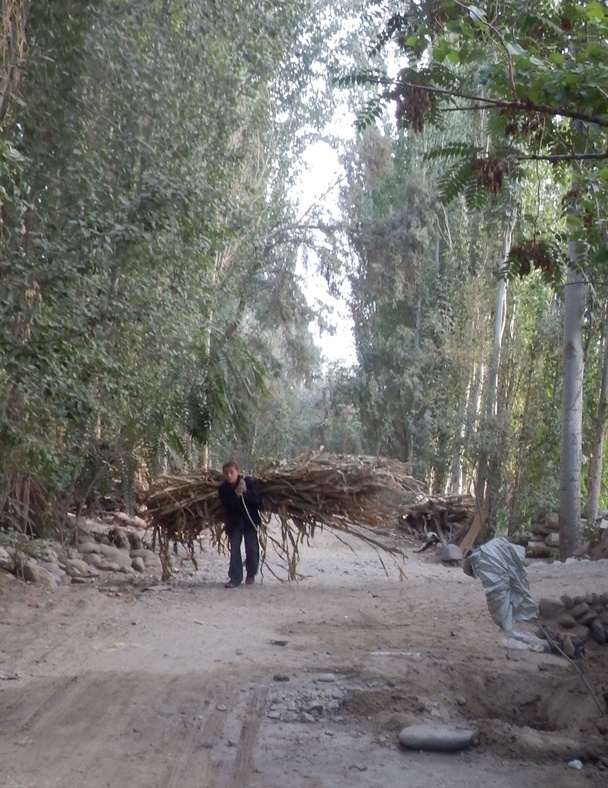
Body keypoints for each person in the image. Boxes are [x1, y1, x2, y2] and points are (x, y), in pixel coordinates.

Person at [218, 460, 263, 588]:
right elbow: (228, 507)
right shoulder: (222, 489)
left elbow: (258, 501)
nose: (229, 476)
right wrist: (236, 495)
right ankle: (235, 578)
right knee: (235, 550)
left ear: (237, 472)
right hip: (234, 523)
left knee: (252, 548)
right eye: (226, 473)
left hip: (249, 521)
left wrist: (246, 492)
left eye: (232, 472)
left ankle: (251, 573)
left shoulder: (247, 482)